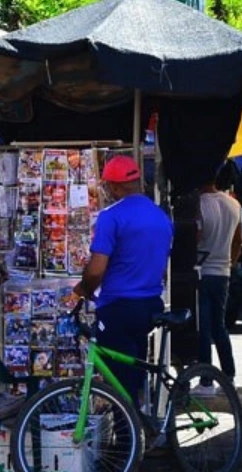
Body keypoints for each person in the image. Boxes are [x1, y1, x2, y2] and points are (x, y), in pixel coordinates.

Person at [73, 156, 172, 402]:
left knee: (117, 386)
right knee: (134, 374)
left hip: (118, 307)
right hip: (150, 304)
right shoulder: (161, 217)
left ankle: (128, 436)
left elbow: (96, 270)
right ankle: (139, 427)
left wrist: (83, 289)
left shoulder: (111, 216)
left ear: (115, 187)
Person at [195, 174, 242, 395]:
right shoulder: (233, 203)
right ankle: (229, 376)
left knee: (203, 328)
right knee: (219, 326)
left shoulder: (200, 204)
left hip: (203, 271)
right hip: (223, 271)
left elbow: (196, 236)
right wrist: (229, 263)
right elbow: (237, 240)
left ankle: (206, 381)